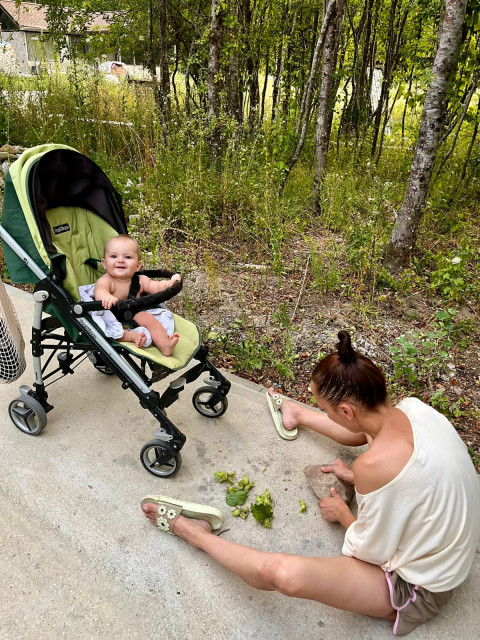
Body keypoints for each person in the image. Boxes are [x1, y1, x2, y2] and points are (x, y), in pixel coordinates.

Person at [141, 331, 480, 636]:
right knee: (364, 440)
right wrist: (358, 472)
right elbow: (377, 446)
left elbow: (369, 552)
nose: (328, 413)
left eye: (323, 409)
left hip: (421, 588)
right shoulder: (414, 410)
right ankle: (296, 414)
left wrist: (344, 514)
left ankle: (196, 535)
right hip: (448, 547)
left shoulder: (373, 466)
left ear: (346, 411)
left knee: (284, 575)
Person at [94, 235, 181, 356]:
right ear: (104, 263)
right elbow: (99, 292)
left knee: (149, 319)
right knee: (110, 331)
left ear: (138, 266)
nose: (120, 260)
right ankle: (132, 337)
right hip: (112, 317)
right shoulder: (106, 281)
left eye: (128, 257)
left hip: (135, 314)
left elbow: (156, 287)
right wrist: (106, 297)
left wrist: (170, 283)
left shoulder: (140, 280)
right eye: (114, 256)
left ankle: (165, 345)